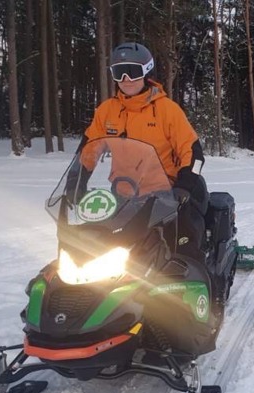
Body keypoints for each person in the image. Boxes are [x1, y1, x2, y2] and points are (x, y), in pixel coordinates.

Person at [66, 42, 208, 262]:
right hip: (123, 195)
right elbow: (89, 149)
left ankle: (200, 285)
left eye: (132, 72)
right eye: (119, 73)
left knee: (182, 249)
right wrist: (75, 182)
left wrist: (183, 187)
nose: (126, 80)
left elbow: (193, 152)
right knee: (95, 246)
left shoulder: (167, 110)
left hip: (165, 195)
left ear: (146, 71)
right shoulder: (107, 111)